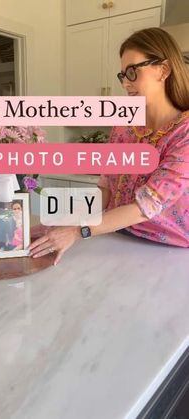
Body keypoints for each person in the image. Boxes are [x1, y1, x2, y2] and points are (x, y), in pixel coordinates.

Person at [29, 27, 189, 265]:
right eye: (123, 75)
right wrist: (64, 221)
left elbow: (145, 205)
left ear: (163, 69)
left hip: (170, 255)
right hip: (117, 238)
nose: (125, 83)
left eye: (132, 72)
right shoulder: (124, 125)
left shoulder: (183, 132)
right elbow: (106, 188)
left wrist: (77, 231)